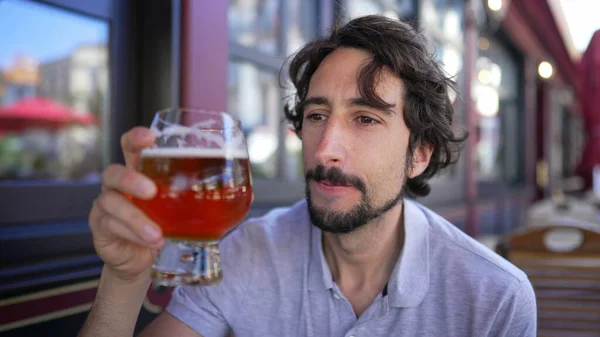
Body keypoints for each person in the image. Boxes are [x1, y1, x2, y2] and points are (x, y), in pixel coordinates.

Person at [78, 15, 536, 337]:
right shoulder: (246, 253)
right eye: (317, 115)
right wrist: (123, 279)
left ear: (419, 154)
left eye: (366, 119)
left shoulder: (493, 297)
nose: (327, 147)